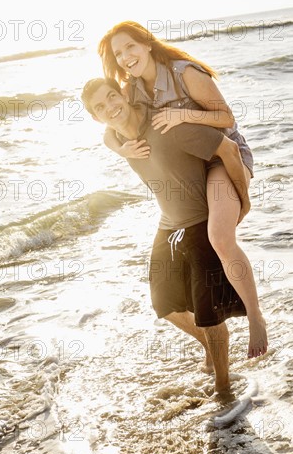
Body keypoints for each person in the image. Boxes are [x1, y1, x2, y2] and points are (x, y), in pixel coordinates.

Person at [98, 21, 267, 360]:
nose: (126, 57)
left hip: (222, 156)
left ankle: (256, 318)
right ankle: (212, 340)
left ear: (146, 43)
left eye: (130, 46)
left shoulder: (183, 73)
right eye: (119, 54)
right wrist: (121, 149)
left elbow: (225, 117)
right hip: (188, 165)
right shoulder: (132, 91)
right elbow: (109, 128)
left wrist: (181, 115)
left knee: (220, 237)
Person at [81, 77, 257, 394]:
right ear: (96, 117)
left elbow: (228, 149)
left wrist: (243, 200)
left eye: (112, 97)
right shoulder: (118, 136)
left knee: (209, 313)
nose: (111, 107)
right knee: (165, 304)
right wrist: (119, 148)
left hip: (202, 219)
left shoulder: (165, 125)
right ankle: (211, 349)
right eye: (100, 107)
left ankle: (223, 388)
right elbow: (110, 133)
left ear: (123, 92)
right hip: (169, 223)